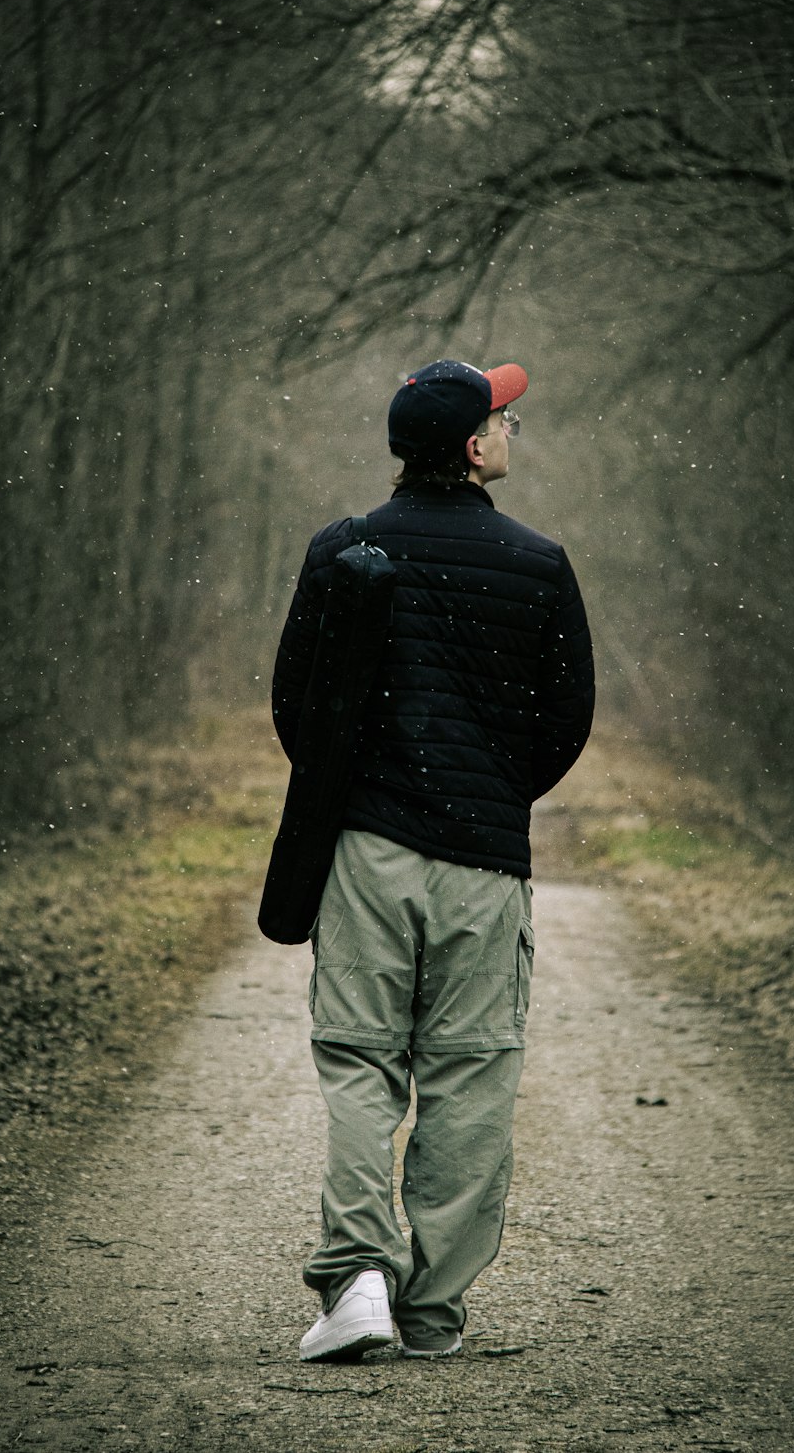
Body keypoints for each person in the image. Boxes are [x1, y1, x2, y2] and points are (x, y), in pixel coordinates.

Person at [271, 358, 594, 1362]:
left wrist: (370, 791)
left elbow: (298, 705)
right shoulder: (540, 565)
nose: (513, 432)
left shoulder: (343, 548)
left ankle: (359, 1278)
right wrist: (491, 792)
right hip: (485, 865)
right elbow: (565, 722)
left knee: (363, 1062)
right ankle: (434, 1315)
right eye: (504, 419)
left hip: (366, 854)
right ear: (471, 447)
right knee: (470, 1077)